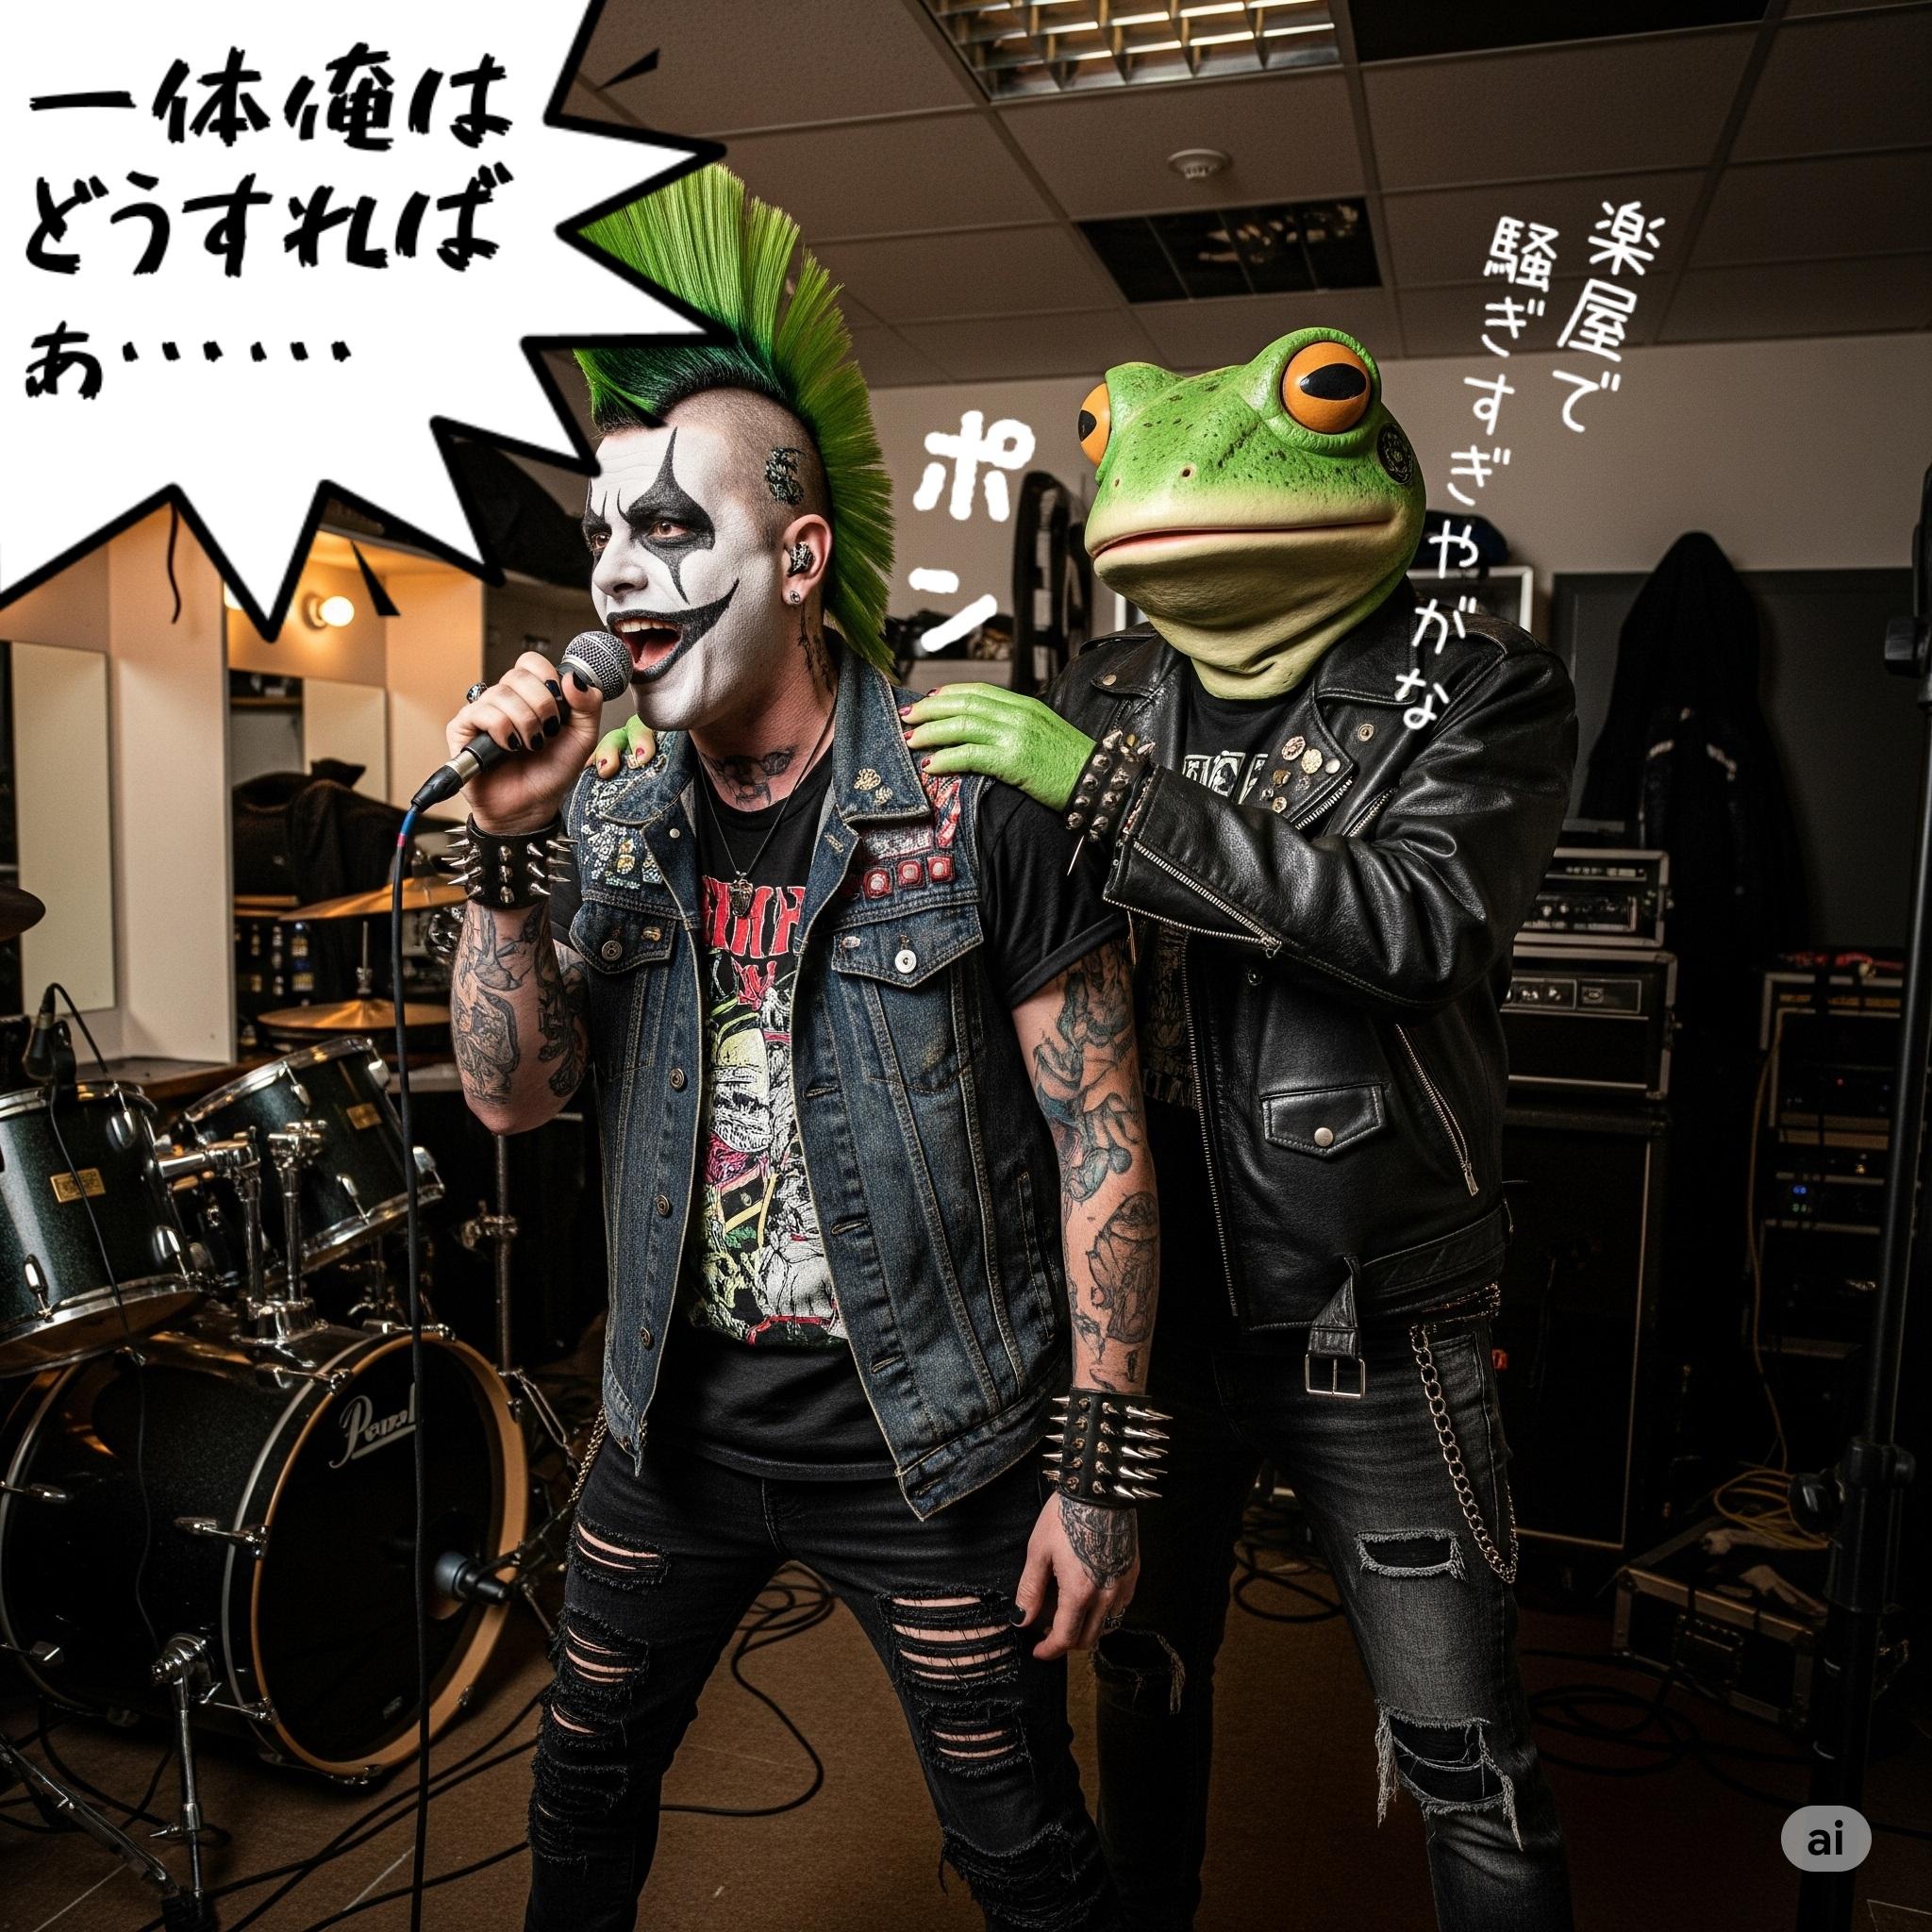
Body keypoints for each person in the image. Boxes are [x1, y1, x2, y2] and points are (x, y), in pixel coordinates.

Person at [444, 165, 1158, 1932]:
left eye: (669, 528)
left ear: (802, 558)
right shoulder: (611, 818)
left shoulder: (975, 802)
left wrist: (1096, 1477)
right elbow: (513, 1098)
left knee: (1021, 1847)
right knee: (577, 1799)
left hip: (932, 1443)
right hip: (666, 1434)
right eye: (604, 534)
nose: (621, 570)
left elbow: (1105, 1146)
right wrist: (503, 857)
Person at [898, 332, 1579, 1929]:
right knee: (1144, 1673)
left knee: (1463, 1752)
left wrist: (1111, 796)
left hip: (1374, 1311)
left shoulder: (1487, 682)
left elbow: (1419, 928)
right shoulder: (1102, 685)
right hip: (1148, 1317)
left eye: (1319, 394)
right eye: (1109, 430)